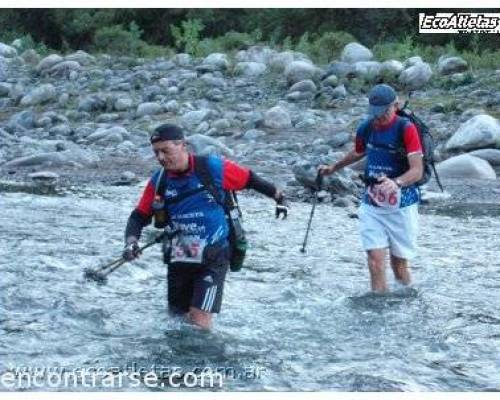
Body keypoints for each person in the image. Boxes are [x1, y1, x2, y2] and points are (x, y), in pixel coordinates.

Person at [122, 123, 289, 329]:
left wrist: (279, 197)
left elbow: (250, 180)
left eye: (166, 150)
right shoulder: (159, 181)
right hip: (179, 257)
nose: (161, 158)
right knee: (176, 322)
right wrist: (131, 242)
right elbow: (139, 216)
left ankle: (205, 361)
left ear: (183, 145)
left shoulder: (213, 168)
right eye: (156, 152)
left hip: (214, 256)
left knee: (199, 321)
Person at [319, 84, 423, 293]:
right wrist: (333, 168)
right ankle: (378, 311)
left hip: (402, 206)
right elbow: (358, 152)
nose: (379, 118)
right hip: (372, 204)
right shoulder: (366, 127)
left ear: (395, 105)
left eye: (384, 112)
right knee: (375, 261)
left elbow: (417, 171)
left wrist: (396, 183)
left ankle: (408, 301)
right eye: (375, 113)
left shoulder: (406, 129)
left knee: (399, 266)